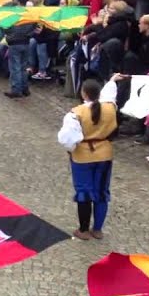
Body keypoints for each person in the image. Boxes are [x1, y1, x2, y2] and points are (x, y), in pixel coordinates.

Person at [59, 79, 117, 240]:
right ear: (99, 93)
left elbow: (67, 139)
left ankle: (83, 230)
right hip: (105, 154)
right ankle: (97, 229)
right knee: (101, 191)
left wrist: (71, 151)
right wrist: (112, 80)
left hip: (83, 156)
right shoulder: (110, 108)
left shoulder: (76, 113)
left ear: (83, 93)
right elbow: (111, 94)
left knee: (84, 192)